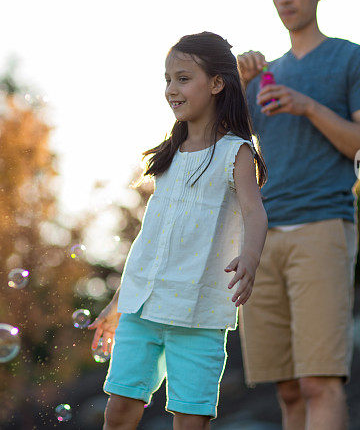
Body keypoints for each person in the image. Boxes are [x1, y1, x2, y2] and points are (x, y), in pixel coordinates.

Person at [236, 0, 360, 430]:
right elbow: (217, 152)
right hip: (262, 242)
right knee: (286, 390)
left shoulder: (353, 59)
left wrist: (308, 106)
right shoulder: (258, 76)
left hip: (322, 227)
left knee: (319, 382)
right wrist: (231, 88)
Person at [88, 31, 268, 430]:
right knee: (118, 410)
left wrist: (250, 259)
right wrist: (119, 302)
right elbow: (149, 242)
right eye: (168, 79)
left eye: (183, 78)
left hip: (199, 312)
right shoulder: (169, 154)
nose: (172, 89)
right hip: (143, 308)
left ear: (217, 84)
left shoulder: (235, 151)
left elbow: (255, 213)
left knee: (190, 419)